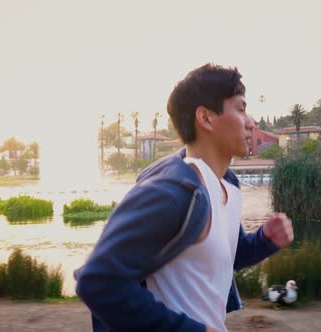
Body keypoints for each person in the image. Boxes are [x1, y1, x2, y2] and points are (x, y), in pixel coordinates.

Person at [75, 63, 294, 332]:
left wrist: (265, 241)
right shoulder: (172, 192)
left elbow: (223, 257)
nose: (251, 123)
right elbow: (98, 281)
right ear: (206, 118)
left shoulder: (228, 185)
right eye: (240, 108)